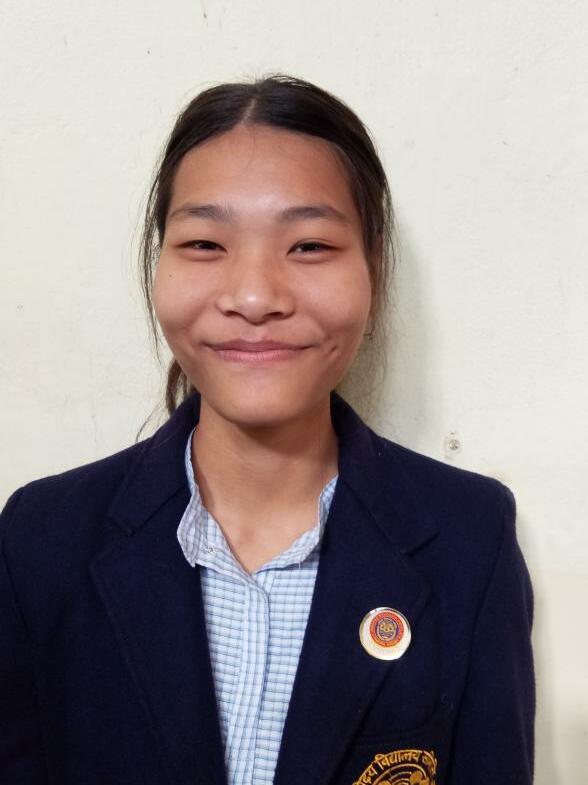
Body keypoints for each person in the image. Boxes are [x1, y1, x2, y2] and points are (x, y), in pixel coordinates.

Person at [0, 75, 535, 785]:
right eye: (205, 243)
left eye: (309, 245)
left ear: (373, 269)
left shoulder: (470, 537)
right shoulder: (42, 538)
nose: (254, 297)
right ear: (159, 263)